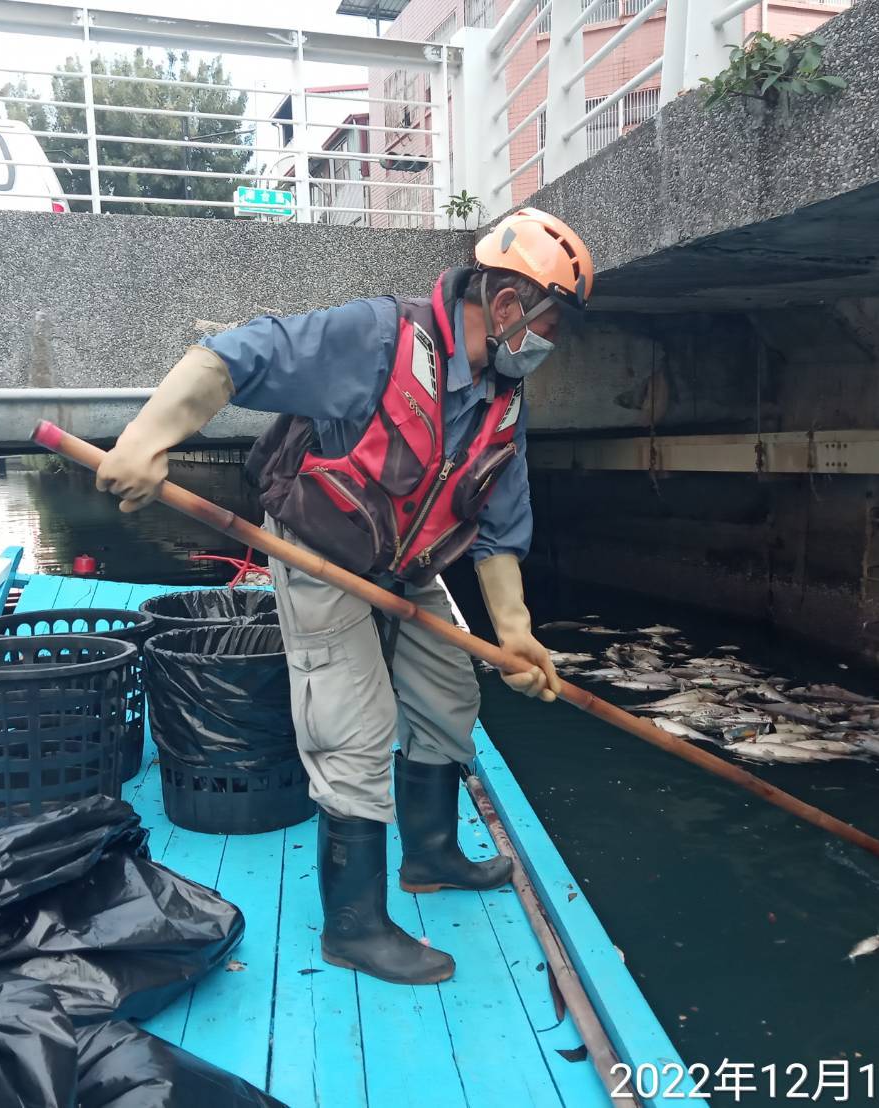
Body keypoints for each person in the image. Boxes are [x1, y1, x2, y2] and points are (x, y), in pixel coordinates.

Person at [96, 208, 594, 986]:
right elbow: (231, 356)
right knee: (353, 727)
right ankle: (353, 927)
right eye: (549, 323)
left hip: (407, 563)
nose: (548, 343)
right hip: (316, 554)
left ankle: (429, 855)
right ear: (506, 308)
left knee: (447, 691)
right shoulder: (375, 339)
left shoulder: (502, 398)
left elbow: (497, 524)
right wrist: (145, 440)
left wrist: (515, 634)